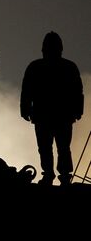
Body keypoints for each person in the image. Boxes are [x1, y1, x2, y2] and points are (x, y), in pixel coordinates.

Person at [21, 31, 83, 186]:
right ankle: (61, 176)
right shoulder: (69, 67)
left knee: (48, 147)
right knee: (59, 147)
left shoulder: (35, 66)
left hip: (47, 115)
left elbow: (26, 90)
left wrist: (25, 108)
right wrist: (77, 110)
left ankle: (52, 175)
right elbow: (78, 91)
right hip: (60, 115)